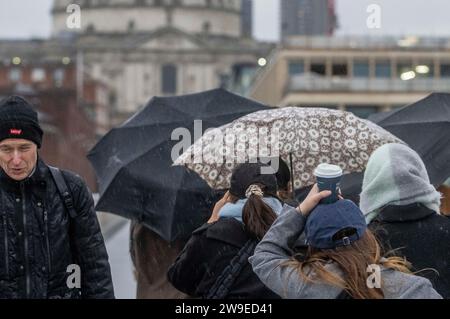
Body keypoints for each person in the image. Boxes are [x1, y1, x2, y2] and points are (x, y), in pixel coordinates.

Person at [0, 96, 114, 299]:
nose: (15, 159)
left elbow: (95, 270)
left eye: (24, 148)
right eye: (6, 149)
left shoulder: (70, 189)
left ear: (37, 145)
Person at [250, 185, 442, 299]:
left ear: (314, 245)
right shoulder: (412, 289)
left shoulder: (306, 285)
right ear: (367, 236)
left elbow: (264, 255)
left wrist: (301, 210)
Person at [167, 162, 282, 299]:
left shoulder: (211, 236)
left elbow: (179, 278)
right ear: (276, 195)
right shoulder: (293, 233)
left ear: (229, 197)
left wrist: (211, 222)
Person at [360, 143, 450, 298]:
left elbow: (370, 289)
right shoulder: (446, 228)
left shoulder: (365, 241)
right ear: (421, 176)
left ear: (372, 183)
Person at [129, 221, 188, 299]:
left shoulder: (142, 218)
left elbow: (134, 254)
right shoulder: (191, 217)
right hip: (182, 291)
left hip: (150, 292)